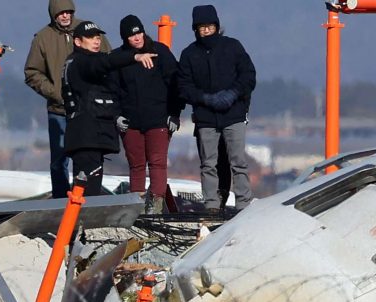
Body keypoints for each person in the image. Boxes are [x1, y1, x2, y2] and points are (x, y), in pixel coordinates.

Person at [24, 0, 110, 199]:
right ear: (53, 15)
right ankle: (61, 201)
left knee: (90, 155)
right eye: (60, 13)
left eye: (68, 12)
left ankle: (89, 198)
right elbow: (32, 72)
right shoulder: (42, 39)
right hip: (59, 110)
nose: (65, 16)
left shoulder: (88, 30)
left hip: (89, 109)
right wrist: (56, 93)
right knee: (59, 159)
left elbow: (108, 61)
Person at [61, 21, 157, 197]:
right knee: (87, 192)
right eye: (90, 37)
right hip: (86, 137)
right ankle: (81, 222)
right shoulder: (81, 62)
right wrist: (134, 57)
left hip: (92, 138)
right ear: (78, 42)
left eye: (98, 37)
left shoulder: (83, 61)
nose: (96, 41)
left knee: (89, 189)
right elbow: (103, 63)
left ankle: (82, 221)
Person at [178, 5, 256, 212]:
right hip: (205, 117)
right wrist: (204, 98)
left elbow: (248, 76)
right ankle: (212, 204)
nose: (205, 30)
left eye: (209, 26)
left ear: (217, 26)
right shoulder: (189, 54)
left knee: (238, 161)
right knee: (208, 164)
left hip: (234, 115)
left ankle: (243, 203)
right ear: (195, 29)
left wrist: (233, 94)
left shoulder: (233, 47)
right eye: (201, 27)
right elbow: (183, 87)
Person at [112, 15, 183, 214]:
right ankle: (138, 208)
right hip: (130, 122)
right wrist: (116, 115)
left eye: (138, 32)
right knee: (136, 165)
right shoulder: (120, 58)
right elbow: (113, 89)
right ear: (125, 38)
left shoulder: (160, 52)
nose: (136, 37)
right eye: (131, 35)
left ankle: (156, 207)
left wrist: (174, 113)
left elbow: (176, 84)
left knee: (157, 163)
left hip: (158, 119)